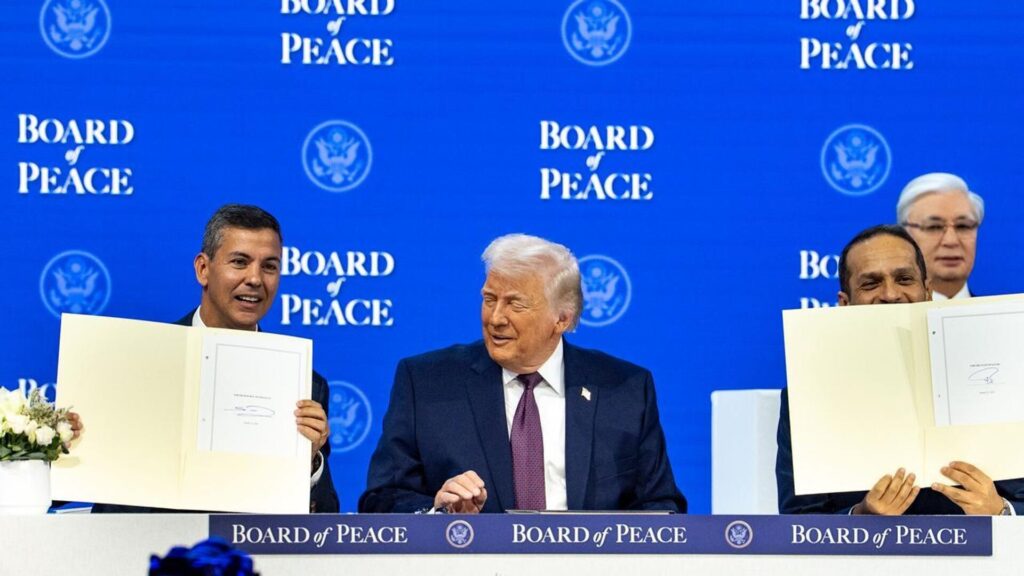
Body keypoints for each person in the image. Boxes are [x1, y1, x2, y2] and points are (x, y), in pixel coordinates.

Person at [359, 233, 685, 513]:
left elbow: (661, 507)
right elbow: (381, 498)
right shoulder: (427, 382)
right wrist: (438, 512)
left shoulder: (625, 389)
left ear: (562, 319)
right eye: (489, 299)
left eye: (515, 304)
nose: (496, 318)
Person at [93, 204, 339, 513]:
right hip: (140, 553)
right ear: (203, 269)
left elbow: (325, 516)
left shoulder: (304, 384)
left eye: (269, 266)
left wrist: (311, 459)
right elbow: (77, 483)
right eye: (239, 262)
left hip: (248, 557)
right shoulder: (135, 362)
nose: (255, 279)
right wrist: (73, 441)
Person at [776, 224, 1024, 515]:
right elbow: (797, 522)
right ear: (844, 303)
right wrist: (860, 518)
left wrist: (1002, 511)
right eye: (871, 284)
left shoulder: (1001, 379)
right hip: (868, 559)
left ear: (927, 292)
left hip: (987, 555)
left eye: (904, 279)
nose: (890, 294)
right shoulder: (805, 397)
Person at [897, 172, 983, 299]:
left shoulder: (1007, 317)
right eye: (934, 227)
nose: (951, 241)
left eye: (963, 226)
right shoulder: (884, 317)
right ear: (905, 236)